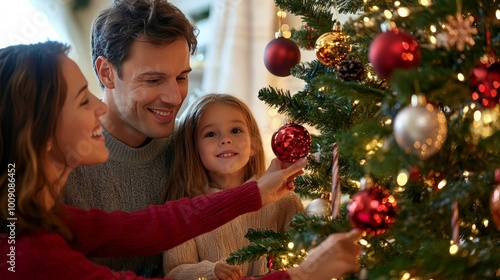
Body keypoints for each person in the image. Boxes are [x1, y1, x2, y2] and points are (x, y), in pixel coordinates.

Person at [0, 41, 363, 280]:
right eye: (82, 100)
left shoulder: (34, 218)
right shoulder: (30, 256)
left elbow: (141, 227)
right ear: (41, 131)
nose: (99, 106)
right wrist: (308, 272)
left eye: (182, 76)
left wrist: (254, 194)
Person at [63, 0, 199, 276]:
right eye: (153, 80)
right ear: (106, 73)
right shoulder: (61, 162)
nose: (175, 98)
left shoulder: (192, 147)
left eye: (182, 77)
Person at [162, 94, 304, 279]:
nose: (225, 139)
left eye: (235, 130)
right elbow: (174, 272)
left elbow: (303, 262)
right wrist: (210, 272)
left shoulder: (285, 202)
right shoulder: (185, 209)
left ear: (254, 144)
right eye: (210, 134)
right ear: (193, 149)